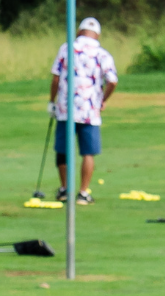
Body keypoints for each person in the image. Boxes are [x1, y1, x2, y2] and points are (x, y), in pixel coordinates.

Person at [47, 16, 118, 204]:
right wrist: (103, 100)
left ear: (79, 32)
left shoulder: (66, 49)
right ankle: (83, 193)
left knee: (63, 150)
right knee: (88, 152)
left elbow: (56, 78)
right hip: (89, 110)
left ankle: (65, 189)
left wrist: (51, 101)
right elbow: (112, 81)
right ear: (98, 35)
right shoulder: (102, 54)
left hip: (66, 108)